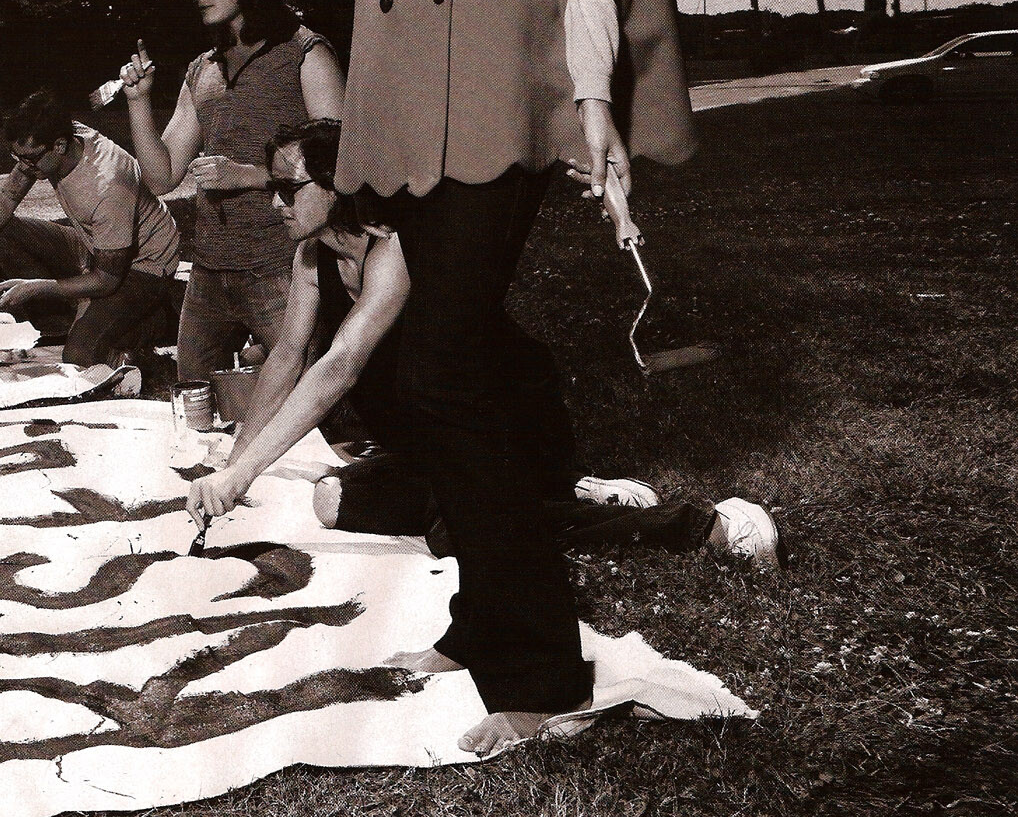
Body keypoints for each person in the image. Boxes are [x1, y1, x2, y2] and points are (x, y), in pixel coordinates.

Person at [334, 0, 700, 756]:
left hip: (509, 95)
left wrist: (589, 96)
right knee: (423, 364)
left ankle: (539, 673)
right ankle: (485, 612)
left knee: (440, 366)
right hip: (410, 117)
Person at [186, 119, 780, 572]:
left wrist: (241, 478)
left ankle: (702, 527)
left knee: (457, 534)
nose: (274, 203)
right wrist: (236, 463)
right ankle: (560, 491)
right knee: (334, 501)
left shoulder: (394, 247)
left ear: (336, 182)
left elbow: (339, 365)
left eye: (287, 188)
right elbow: (288, 357)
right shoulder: (312, 256)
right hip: (434, 438)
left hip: (505, 418)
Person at [118, 0, 345, 383]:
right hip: (208, 271)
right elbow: (161, 177)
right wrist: (139, 102)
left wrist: (250, 175)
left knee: (302, 403)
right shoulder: (202, 69)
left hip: (283, 268)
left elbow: (338, 161)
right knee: (194, 397)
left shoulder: (305, 53)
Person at [0, 89, 180, 367]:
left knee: (80, 358)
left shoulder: (108, 186)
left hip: (143, 265)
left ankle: (157, 322)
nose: (23, 166)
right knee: (5, 233)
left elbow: (105, 280)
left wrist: (37, 288)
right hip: (95, 245)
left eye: (30, 159)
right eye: (17, 157)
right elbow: (10, 195)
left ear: (59, 146)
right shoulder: (59, 138)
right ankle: (61, 320)